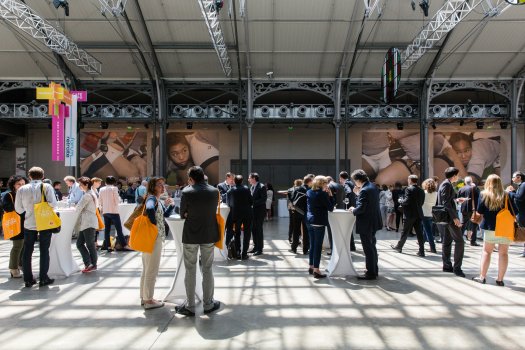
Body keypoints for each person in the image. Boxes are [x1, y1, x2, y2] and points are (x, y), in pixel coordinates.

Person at [175, 166, 221, 316]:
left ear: (191, 178)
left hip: (191, 235)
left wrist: (188, 213)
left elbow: (183, 214)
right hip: (209, 233)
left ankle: (189, 305)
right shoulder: (215, 191)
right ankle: (208, 304)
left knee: (190, 269)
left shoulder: (187, 192)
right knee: (207, 269)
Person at [15, 166, 57, 288]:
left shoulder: (22, 189)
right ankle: (43, 278)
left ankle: (28, 279)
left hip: (29, 223)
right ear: (43, 176)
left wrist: (29, 211)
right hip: (44, 223)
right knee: (44, 250)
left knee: (27, 251)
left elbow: (18, 209)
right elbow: (53, 204)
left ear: (29, 176)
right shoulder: (47, 187)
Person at [472, 174, 517, 286]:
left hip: (489, 228)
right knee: (503, 254)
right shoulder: (507, 195)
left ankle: (482, 277)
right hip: (504, 228)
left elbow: (479, 211)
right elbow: (515, 211)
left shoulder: (484, 195)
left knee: (487, 252)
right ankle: (500, 279)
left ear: (488, 183)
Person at [141, 177, 175, 309]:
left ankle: (144, 297)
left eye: (163, 184)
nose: (162, 187)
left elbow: (163, 215)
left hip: (151, 237)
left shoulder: (156, 200)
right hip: (154, 238)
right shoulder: (152, 199)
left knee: (147, 268)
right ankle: (149, 300)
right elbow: (150, 209)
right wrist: (154, 224)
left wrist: (171, 206)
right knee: (152, 270)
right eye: (159, 185)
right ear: (153, 187)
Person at [349, 169, 382, 280]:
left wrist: (353, 210)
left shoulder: (364, 190)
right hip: (374, 221)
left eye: (355, 181)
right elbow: (367, 203)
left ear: (358, 180)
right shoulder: (372, 186)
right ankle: (374, 269)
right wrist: (358, 194)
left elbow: (362, 208)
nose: (355, 183)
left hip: (366, 222)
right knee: (372, 246)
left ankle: (370, 273)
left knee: (368, 248)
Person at [437, 167, 467, 278]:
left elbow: (447, 201)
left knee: (447, 241)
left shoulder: (445, 184)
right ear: (454, 176)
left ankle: (447, 265)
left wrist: (457, 200)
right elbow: (446, 203)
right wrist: (455, 218)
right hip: (449, 218)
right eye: (457, 175)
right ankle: (457, 268)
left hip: (446, 218)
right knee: (459, 242)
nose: (458, 177)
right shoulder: (447, 185)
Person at [306, 176, 334, 279]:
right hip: (318, 222)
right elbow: (330, 208)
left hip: (309, 221)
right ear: (322, 184)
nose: (327, 185)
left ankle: (311, 266)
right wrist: (330, 195)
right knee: (318, 246)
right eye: (326, 183)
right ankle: (317, 270)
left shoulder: (309, 192)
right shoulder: (323, 194)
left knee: (313, 245)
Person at [391, 175, 426, 256]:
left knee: (405, 231)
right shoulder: (421, 190)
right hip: (418, 214)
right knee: (419, 233)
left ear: (410, 180)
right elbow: (422, 202)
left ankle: (399, 247)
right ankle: (422, 251)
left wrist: (400, 200)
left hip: (409, 214)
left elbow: (407, 200)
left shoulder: (409, 189)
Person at [2, 175, 27, 278]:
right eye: (18, 184)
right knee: (17, 246)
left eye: (23, 184)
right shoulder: (9, 195)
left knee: (25, 246)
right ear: (13, 185)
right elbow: (7, 207)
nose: (21, 186)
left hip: (26, 223)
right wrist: (19, 202)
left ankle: (21, 265)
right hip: (15, 223)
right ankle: (13, 268)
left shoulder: (27, 193)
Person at [99, 176, 132, 252]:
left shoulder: (101, 189)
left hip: (105, 211)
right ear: (114, 182)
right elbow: (117, 200)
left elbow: (100, 201)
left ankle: (108, 246)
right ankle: (124, 245)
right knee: (119, 229)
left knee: (107, 230)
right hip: (113, 211)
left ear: (106, 182)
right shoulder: (114, 188)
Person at [75, 177, 99, 273]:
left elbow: (79, 207)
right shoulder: (91, 193)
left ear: (85, 185)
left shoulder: (87, 195)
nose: (79, 186)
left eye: (80, 184)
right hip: (88, 222)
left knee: (88, 244)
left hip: (88, 222)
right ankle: (90, 263)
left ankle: (90, 264)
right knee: (82, 244)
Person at [227, 175, 253, 260]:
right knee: (247, 233)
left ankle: (238, 252)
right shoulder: (246, 189)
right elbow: (251, 201)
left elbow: (229, 203)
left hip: (236, 215)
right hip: (247, 214)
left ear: (234, 181)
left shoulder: (231, 190)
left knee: (237, 233)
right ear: (242, 181)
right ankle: (244, 254)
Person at [290, 176, 312, 255]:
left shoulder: (297, 189)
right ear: (309, 182)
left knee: (296, 230)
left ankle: (294, 247)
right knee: (306, 231)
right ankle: (305, 249)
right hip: (306, 212)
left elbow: (292, 199)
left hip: (297, 211)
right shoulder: (310, 189)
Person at [457, 176, 481, 246]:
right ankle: (473, 241)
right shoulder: (475, 188)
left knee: (463, 224)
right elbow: (479, 198)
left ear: (465, 182)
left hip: (464, 209)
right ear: (471, 181)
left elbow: (458, 199)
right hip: (473, 209)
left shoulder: (461, 189)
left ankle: (460, 239)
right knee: (474, 225)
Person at [248, 173, 267, 256]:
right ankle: (255, 247)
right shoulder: (252, 187)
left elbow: (263, 199)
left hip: (259, 212)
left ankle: (260, 249)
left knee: (259, 229)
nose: (248, 179)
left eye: (249, 178)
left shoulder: (261, 187)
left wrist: (253, 203)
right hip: (253, 212)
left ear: (254, 178)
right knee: (254, 229)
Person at [507, 171, 525, 257]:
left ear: (519, 177)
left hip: (523, 213)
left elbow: (520, 197)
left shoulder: (523, 185)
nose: (512, 179)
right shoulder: (522, 185)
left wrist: (511, 192)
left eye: (513, 177)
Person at [339, 171, 357, 250]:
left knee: (348, 227)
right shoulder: (351, 183)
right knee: (350, 227)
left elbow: (347, 193)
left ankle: (351, 246)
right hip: (353, 206)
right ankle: (351, 246)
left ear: (341, 178)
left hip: (349, 207)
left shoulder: (346, 184)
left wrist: (344, 199)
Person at [217, 173, 234, 246]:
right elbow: (223, 197)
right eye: (232, 178)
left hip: (232, 210)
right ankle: (222, 245)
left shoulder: (234, 186)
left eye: (233, 179)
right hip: (224, 211)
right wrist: (231, 189)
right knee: (223, 229)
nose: (233, 180)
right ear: (227, 177)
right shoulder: (220, 185)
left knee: (231, 229)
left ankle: (228, 244)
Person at [421, 178, 437, 254]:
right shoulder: (435, 193)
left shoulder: (424, 193)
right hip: (431, 213)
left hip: (424, 213)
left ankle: (433, 247)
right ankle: (421, 243)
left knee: (428, 231)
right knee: (426, 230)